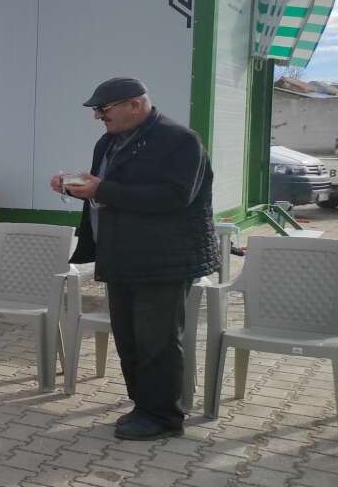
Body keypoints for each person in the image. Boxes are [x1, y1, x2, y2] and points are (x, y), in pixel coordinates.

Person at [51, 77, 218, 441]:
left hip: (163, 259)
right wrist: (76, 187)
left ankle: (164, 416)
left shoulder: (179, 141)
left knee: (156, 338)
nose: (97, 116)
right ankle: (143, 405)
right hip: (120, 254)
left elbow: (176, 197)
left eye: (103, 109)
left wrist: (102, 189)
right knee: (128, 337)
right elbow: (110, 191)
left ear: (136, 104)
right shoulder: (109, 141)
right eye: (96, 110)